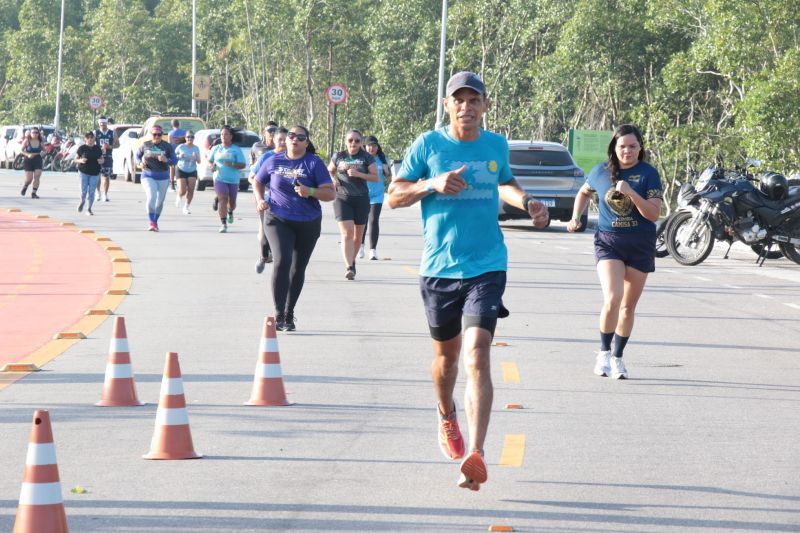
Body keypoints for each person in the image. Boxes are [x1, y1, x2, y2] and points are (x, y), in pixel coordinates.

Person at [387, 71, 549, 491]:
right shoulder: (429, 144)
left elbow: (506, 183)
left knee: (477, 354)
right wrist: (431, 184)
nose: (466, 106)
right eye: (458, 100)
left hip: (488, 265)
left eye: (473, 99)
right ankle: (445, 412)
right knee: (447, 361)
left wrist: (527, 201)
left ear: (485, 105)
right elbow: (393, 196)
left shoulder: (495, 145)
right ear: (447, 106)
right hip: (439, 268)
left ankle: (475, 454)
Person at [567, 124, 662, 380]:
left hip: (640, 245)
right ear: (614, 147)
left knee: (628, 308)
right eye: (622, 146)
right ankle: (603, 353)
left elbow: (654, 214)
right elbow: (583, 193)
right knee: (613, 298)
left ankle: (618, 357)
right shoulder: (601, 171)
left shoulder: (648, 174)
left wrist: (631, 193)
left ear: (640, 148)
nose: (627, 151)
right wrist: (576, 217)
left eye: (632, 146)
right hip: (609, 242)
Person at [253, 126, 335, 331]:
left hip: (308, 221)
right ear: (285, 140)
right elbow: (257, 181)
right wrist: (260, 199)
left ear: (306, 143)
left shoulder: (314, 163)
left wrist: (310, 191)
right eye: (291, 136)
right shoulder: (273, 160)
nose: (295, 140)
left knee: (298, 268)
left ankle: (289, 313)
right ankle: (279, 314)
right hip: (277, 217)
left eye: (301, 137)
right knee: (282, 261)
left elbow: (330, 194)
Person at [328, 129, 378, 279]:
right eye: (350, 140)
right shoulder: (339, 156)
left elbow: (375, 177)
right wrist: (332, 180)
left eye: (357, 140)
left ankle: (352, 260)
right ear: (346, 141)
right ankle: (349, 266)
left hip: (361, 198)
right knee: (347, 233)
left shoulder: (367, 158)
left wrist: (359, 174)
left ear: (361, 142)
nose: (353, 143)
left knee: (357, 236)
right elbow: (329, 171)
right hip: (342, 198)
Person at [250, 127, 288, 273]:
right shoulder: (267, 157)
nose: (283, 143)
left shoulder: (294, 158)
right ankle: (263, 256)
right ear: (274, 141)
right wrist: (263, 193)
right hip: (267, 201)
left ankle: (284, 264)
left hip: (287, 203)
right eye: (280, 140)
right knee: (266, 231)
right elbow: (252, 178)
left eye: (286, 140)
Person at [135, 125, 177, 231]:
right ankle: (152, 222)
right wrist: (140, 163)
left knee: (160, 202)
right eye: (155, 134)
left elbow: (175, 160)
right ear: (151, 135)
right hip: (148, 175)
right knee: (151, 197)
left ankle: (155, 221)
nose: (157, 137)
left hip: (163, 176)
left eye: (159, 135)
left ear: (162, 135)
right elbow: (137, 156)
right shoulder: (146, 145)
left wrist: (166, 160)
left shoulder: (167, 146)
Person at [208, 125, 246, 233]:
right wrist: (212, 166)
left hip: (233, 180)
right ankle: (223, 223)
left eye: (226, 134)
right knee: (223, 198)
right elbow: (210, 160)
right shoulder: (216, 148)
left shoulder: (236, 149)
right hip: (219, 178)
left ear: (231, 136)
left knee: (232, 203)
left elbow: (242, 165)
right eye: (221, 134)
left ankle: (230, 211)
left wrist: (232, 164)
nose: (223, 136)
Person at [361, 135, 391, 260]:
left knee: (373, 220)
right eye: (369, 145)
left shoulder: (383, 159)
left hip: (377, 195)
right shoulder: (361, 159)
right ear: (365, 146)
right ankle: (360, 247)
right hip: (362, 194)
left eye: (374, 145)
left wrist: (386, 170)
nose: (371, 148)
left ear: (377, 147)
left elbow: (389, 178)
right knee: (362, 222)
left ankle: (373, 250)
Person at [75, 131, 104, 216]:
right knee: (83, 191)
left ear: (94, 139)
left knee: (91, 191)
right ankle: (82, 201)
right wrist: (81, 160)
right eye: (88, 137)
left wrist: (101, 161)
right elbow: (75, 159)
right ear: (85, 139)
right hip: (83, 171)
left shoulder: (98, 148)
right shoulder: (82, 148)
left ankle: (89, 208)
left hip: (95, 172)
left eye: (92, 137)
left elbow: (102, 159)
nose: (90, 139)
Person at [174, 130, 201, 214]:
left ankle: (186, 207)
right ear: (185, 138)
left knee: (191, 189)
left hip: (192, 170)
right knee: (183, 190)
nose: (190, 138)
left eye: (192, 137)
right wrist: (179, 156)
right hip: (181, 169)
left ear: (194, 138)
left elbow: (199, 161)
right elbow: (173, 157)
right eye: (188, 137)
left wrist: (196, 157)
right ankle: (179, 196)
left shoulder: (196, 148)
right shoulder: (181, 147)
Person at [94, 116, 118, 202]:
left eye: (104, 124)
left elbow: (118, 144)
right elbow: (90, 143)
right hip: (98, 157)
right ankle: (98, 193)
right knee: (97, 176)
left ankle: (105, 194)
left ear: (106, 123)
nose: (102, 125)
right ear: (99, 124)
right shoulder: (95, 133)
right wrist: (97, 148)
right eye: (101, 124)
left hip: (108, 157)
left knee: (106, 177)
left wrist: (109, 146)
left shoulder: (112, 133)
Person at [19, 127, 44, 198]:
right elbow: (21, 150)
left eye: (37, 132)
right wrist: (28, 154)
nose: (35, 134)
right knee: (29, 179)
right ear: (30, 133)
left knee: (37, 176)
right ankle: (25, 186)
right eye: (33, 132)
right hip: (28, 160)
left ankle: (34, 193)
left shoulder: (41, 141)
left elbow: (45, 150)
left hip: (38, 159)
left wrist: (43, 153)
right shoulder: (27, 140)